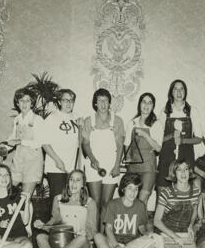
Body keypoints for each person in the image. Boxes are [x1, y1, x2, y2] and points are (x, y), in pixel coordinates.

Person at [94, 173, 165, 248]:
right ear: (123, 189)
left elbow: (141, 228)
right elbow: (108, 229)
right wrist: (115, 246)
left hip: (131, 245)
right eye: (130, 188)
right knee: (97, 236)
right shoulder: (113, 204)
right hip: (114, 243)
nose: (133, 193)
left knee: (154, 241)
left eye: (136, 189)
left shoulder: (140, 206)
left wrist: (147, 234)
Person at [33, 169, 97, 248]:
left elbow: (92, 228)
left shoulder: (90, 202)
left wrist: (85, 232)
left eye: (78, 180)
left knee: (81, 238)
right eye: (71, 180)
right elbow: (55, 222)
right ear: (67, 183)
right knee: (40, 237)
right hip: (62, 242)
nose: (74, 183)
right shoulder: (58, 199)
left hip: (80, 247)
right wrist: (43, 226)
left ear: (83, 184)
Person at [81, 88, 125, 222]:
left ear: (109, 103)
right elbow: (86, 143)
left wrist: (117, 165)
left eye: (105, 101)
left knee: (107, 203)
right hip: (94, 165)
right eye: (100, 101)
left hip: (111, 164)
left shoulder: (117, 121)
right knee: (96, 203)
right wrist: (93, 159)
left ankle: (103, 234)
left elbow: (120, 145)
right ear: (95, 103)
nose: (103, 104)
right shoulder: (89, 121)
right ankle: (94, 237)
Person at [157, 79, 203, 188]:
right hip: (167, 156)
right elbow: (158, 139)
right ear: (171, 92)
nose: (179, 92)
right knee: (163, 190)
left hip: (186, 156)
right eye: (175, 89)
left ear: (185, 92)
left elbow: (199, 138)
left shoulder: (192, 111)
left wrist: (183, 140)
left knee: (185, 190)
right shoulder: (165, 112)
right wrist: (172, 136)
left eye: (181, 89)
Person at [123, 92, 163, 205]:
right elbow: (127, 144)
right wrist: (127, 159)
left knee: (143, 198)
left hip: (148, 167)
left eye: (150, 103)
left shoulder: (156, 124)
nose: (146, 105)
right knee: (131, 199)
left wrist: (145, 135)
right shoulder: (132, 123)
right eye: (144, 102)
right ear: (139, 104)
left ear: (153, 106)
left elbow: (158, 148)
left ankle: (141, 223)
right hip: (133, 166)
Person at [43, 88, 82, 201]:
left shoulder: (76, 117)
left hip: (71, 167)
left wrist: (82, 127)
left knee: (70, 202)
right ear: (59, 102)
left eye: (71, 100)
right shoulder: (52, 118)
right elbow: (45, 143)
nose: (69, 103)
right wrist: (57, 160)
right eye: (65, 100)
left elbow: (80, 142)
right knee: (58, 201)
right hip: (56, 167)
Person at [5, 87, 46, 197]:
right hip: (18, 160)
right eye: (21, 100)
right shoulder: (17, 119)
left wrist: (20, 142)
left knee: (25, 197)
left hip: (32, 161)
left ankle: (26, 213)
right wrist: (3, 147)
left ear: (32, 103)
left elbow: (39, 143)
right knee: (6, 192)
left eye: (27, 101)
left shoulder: (37, 119)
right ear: (17, 103)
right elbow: (12, 138)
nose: (24, 104)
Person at [153, 159, 201, 248]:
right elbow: (156, 221)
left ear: (189, 172)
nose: (183, 173)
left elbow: (194, 211)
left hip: (184, 232)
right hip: (166, 232)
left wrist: (190, 226)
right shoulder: (166, 192)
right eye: (179, 170)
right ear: (174, 174)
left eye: (186, 169)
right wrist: (174, 236)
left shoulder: (196, 191)